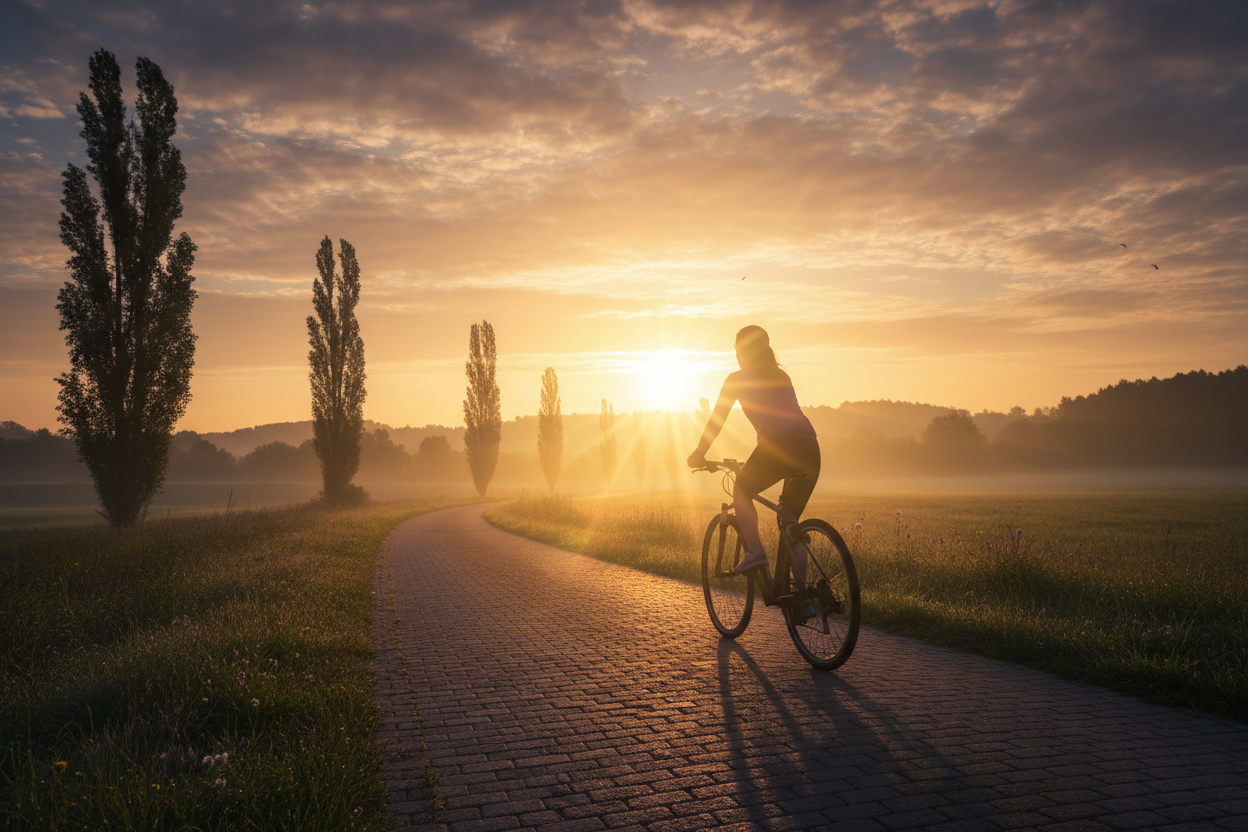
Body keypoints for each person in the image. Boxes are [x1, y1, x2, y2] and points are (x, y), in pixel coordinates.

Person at [687, 325, 821, 600]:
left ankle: (755, 552)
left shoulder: (736, 378)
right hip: (810, 448)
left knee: (742, 490)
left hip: (776, 447)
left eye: (735, 348)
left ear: (742, 350)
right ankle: (803, 599)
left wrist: (699, 453)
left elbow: (717, 421)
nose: (734, 354)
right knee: (790, 522)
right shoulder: (781, 375)